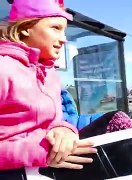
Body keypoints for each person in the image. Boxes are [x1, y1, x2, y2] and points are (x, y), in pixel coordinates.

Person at [0, 0, 99, 171]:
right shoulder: (3, 69)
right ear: (26, 27)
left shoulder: (51, 75)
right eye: (55, 28)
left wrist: (64, 130)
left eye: (65, 31)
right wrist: (39, 153)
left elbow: (53, 123)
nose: (64, 40)